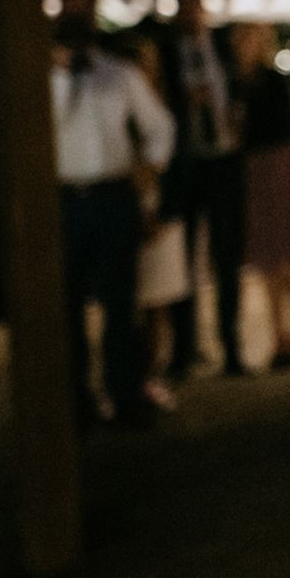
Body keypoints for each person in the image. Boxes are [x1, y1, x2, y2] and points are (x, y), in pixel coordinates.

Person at [52, 0, 176, 426]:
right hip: (64, 200)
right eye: (71, 8)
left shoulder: (118, 74)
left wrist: (151, 168)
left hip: (112, 197)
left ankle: (125, 396)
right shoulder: (42, 79)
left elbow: (160, 127)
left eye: (84, 8)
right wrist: (61, 74)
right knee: (66, 305)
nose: (77, 16)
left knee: (120, 305)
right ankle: (75, 401)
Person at [158, 0, 247, 377]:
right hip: (187, 164)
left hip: (224, 160)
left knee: (227, 257)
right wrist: (184, 101)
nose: (193, 14)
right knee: (184, 259)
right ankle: (184, 350)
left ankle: (231, 348)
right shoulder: (167, 53)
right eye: (186, 6)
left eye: (197, 5)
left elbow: (239, 89)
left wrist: (236, 116)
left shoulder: (223, 46)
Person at [233, 22, 290, 368]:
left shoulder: (273, 81)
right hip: (251, 171)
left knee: (288, 255)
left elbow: (287, 125)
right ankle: (280, 335)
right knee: (267, 257)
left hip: (276, 167)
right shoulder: (233, 82)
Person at [127, 36, 191, 413]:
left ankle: (153, 374)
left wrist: (165, 214)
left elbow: (181, 165)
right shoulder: (122, 109)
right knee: (130, 302)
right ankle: (129, 377)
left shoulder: (167, 108)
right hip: (129, 213)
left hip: (163, 213)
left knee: (159, 304)